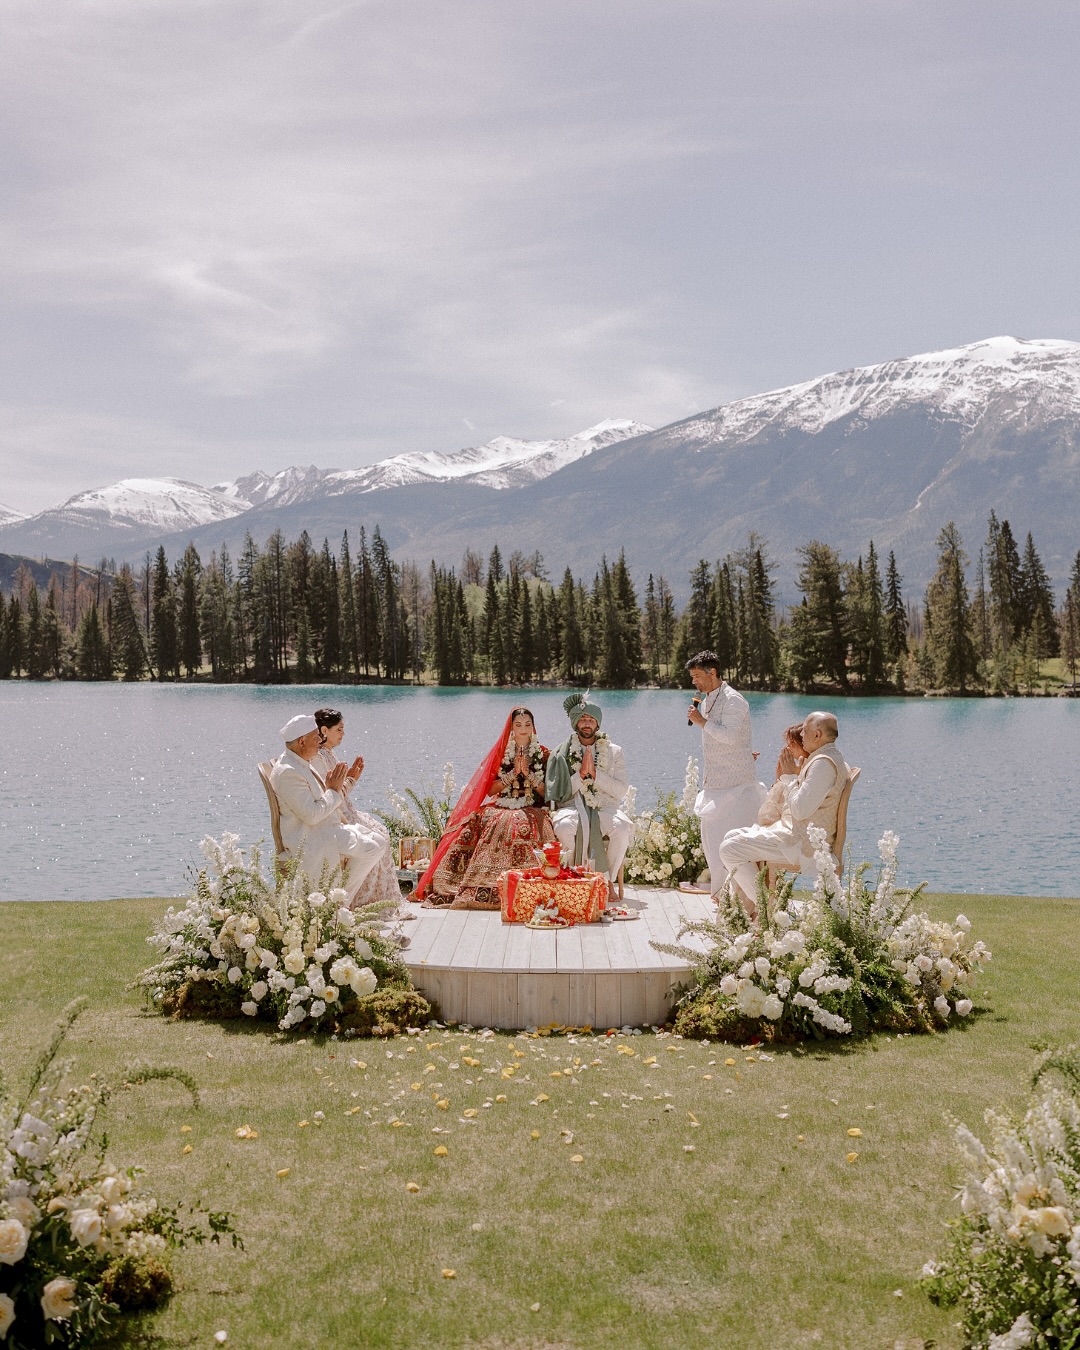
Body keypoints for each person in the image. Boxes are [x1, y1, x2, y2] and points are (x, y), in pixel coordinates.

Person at [413, 706, 556, 909]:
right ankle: (478, 883)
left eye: (527, 724)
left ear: (533, 727)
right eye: (518, 725)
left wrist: (529, 775)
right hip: (502, 804)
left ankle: (531, 884)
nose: (523, 730)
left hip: (532, 806)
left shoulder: (543, 754)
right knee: (484, 822)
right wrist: (512, 775)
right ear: (511, 728)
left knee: (521, 822)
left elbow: (548, 793)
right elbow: (490, 790)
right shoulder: (502, 753)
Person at [717, 710, 850, 919]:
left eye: (805, 731)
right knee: (731, 836)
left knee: (729, 849)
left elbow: (799, 810)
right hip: (796, 835)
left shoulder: (823, 764)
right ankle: (749, 911)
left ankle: (769, 912)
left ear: (817, 735)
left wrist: (788, 777)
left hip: (802, 845)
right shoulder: (825, 759)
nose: (801, 735)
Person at [269, 713, 387, 902]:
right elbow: (312, 815)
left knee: (380, 841)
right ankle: (338, 903)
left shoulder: (301, 762)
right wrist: (332, 790)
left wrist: (343, 784)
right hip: (311, 837)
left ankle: (338, 900)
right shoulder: (288, 772)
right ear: (302, 742)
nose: (320, 740)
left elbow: (323, 799)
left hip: (326, 828)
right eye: (316, 737)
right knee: (372, 848)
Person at [682, 651, 766, 900]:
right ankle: (723, 899)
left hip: (737, 788)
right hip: (715, 784)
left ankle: (747, 902)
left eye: (697, 676)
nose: (694, 682)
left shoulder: (734, 700)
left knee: (734, 847)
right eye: (692, 677)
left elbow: (729, 736)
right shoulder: (706, 700)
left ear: (713, 673)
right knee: (712, 844)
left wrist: (701, 722)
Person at [546, 692, 634, 898]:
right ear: (576, 723)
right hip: (573, 807)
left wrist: (596, 776)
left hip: (605, 808)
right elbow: (559, 793)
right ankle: (572, 879)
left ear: (598, 724)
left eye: (591, 720)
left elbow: (621, 790)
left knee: (622, 830)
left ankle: (606, 881)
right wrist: (580, 776)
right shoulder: (562, 752)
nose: (587, 723)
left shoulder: (614, 751)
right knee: (564, 827)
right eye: (583, 719)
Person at [312, 707, 399, 908]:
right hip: (336, 815)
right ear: (324, 731)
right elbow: (330, 796)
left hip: (342, 810)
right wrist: (350, 780)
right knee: (378, 836)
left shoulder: (328, 754)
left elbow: (337, 792)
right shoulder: (318, 758)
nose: (343, 734)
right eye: (339, 730)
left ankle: (369, 900)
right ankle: (358, 902)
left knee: (381, 833)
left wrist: (351, 778)